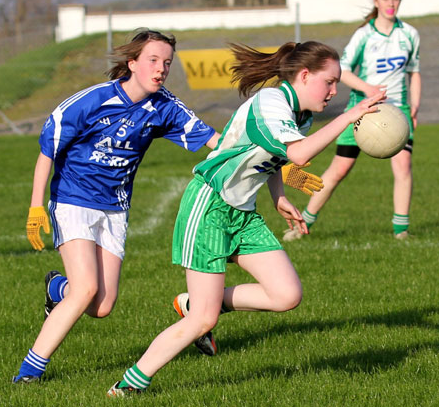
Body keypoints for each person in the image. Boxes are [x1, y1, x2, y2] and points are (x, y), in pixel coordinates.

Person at [107, 40, 386, 396]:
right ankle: (128, 385)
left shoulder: (300, 112)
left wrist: (279, 196)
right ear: (304, 75)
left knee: (286, 295)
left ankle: (193, 302)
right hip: (208, 208)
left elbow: (275, 156)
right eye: (329, 82)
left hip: (243, 213)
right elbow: (298, 154)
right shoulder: (271, 103)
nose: (334, 91)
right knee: (203, 321)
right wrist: (351, 115)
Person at [12, 29, 221, 383]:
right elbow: (48, 149)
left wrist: (276, 159)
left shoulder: (164, 107)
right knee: (86, 290)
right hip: (73, 200)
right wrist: (36, 206)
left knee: (102, 306)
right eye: (153, 60)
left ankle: (55, 289)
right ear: (132, 63)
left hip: (115, 208)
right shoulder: (92, 101)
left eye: (167, 63)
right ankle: (29, 372)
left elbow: (217, 142)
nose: (161, 69)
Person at [283, 0, 421, 242]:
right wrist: (368, 89)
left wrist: (414, 105)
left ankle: (401, 230)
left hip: (396, 110)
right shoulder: (364, 35)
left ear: (400, 1)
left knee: (403, 165)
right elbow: (342, 70)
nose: (391, 3)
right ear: (376, 1)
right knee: (339, 170)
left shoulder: (409, 35)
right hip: (362, 110)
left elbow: (414, 73)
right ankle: (303, 224)